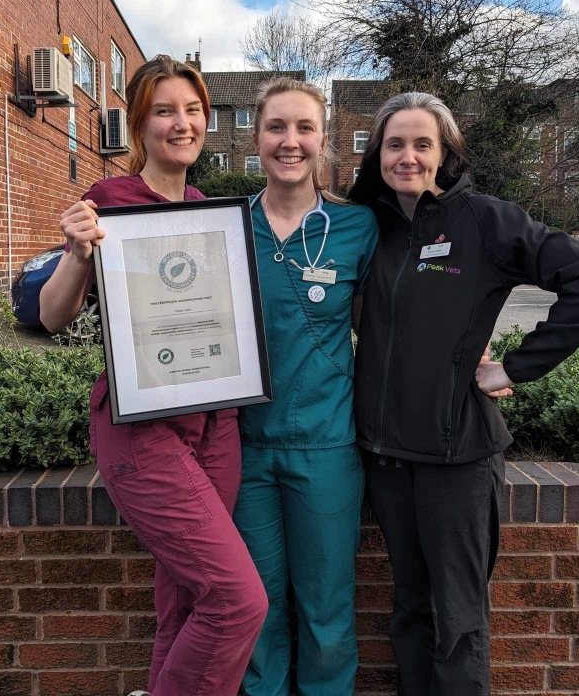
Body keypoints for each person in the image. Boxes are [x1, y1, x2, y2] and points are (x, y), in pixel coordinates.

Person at [349, 91, 579, 696]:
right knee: (409, 612)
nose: (407, 156)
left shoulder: (485, 220)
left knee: (457, 622)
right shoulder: (365, 227)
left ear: (445, 153)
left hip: (458, 458)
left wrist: (514, 368)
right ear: (377, 154)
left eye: (422, 143)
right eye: (394, 143)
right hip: (385, 458)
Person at [39, 55, 268, 696]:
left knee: (189, 601)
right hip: (141, 427)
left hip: (215, 422)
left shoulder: (205, 208)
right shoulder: (106, 203)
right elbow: (53, 317)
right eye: (165, 110)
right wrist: (77, 251)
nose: (183, 123)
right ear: (140, 124)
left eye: (193, 110)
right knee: (238, 599)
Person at [233, 78, 378, 696]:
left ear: (323, 140)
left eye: (304, 129)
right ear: (257, 136)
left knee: (325, 609)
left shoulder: (357, 229)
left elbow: (390, 328)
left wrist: (472, 349)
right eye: (276, 128)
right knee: (255, 611)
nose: (289, 142)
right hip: (240, 448)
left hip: (326, 445)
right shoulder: (224, 225)